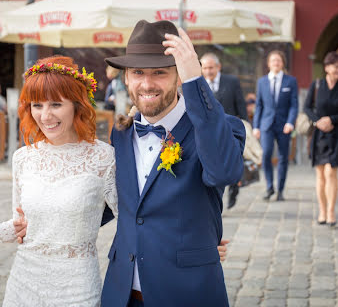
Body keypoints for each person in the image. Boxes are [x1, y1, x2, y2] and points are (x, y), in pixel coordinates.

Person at [0, 55, 119, 306]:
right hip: (24, 284)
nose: (45, 115)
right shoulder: (23, 158)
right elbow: (20, 227)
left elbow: (130, 222)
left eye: (55, 104)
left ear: (77, 103)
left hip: (77, 288)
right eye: (37, 105)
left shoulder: (104, 156)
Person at [100, 20, 245, 307]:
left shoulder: (221, 127)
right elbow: (116, 204)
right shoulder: (121, 133)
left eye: (159, 73)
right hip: (122, 294)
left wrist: (196, 81)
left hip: (188, 293)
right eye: (137, 73)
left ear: (179, 77)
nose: (147, 83)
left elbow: (224, 171)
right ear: (126, 78)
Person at [304, 52, 338, 226]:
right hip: (319, 135)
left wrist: (331, 120)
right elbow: (307, 107)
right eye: (336, 66)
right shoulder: (317, 85)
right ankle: (322, 211)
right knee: (320, 174)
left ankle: (331, 211)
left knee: (331, 172)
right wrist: (318, 122)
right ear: (327, 67)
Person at [200, 52, 247, 209]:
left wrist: (246, 123)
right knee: (215, 169)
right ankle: (217, 201)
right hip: (209, 135)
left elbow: (240, 104)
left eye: (211, 67)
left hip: (230, 131)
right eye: (205, 68)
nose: (208, 71)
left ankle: (234, 188)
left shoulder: (232, 82)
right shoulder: (198, 85)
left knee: (232, 164)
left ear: (218, 67)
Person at [253, 50, 298, 201]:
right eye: (273, 61)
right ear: (268, 64)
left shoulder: (290, 81)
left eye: (278, 60)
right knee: (266, 155)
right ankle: (269, 187)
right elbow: (258, 105)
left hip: (284, 125)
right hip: (266, 125)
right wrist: (256, 126)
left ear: (282, 63)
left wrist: (290, 122)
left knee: (283, 157)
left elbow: (294, 105)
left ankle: (280, 190)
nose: (276, 63)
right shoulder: (262, 82)